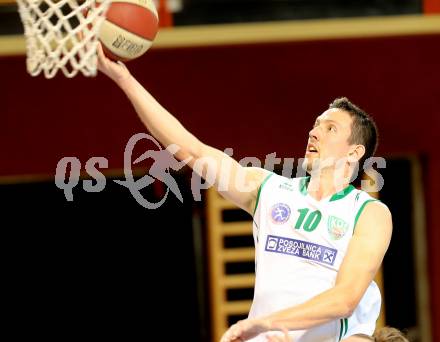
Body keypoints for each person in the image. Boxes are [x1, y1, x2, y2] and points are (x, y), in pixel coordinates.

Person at [97, 44, 393, 342]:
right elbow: (191, 149)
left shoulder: (368, 213)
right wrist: (125, 80)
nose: (313, 133)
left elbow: (345, 299)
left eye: (330, 129)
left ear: (355, 151)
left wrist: (268, 323)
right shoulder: (269, 188)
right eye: (315, 125)